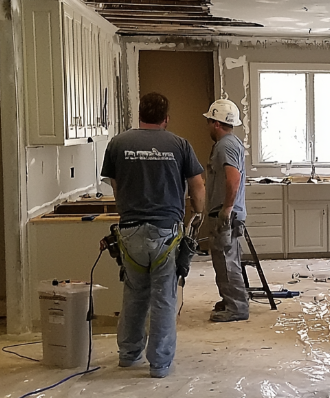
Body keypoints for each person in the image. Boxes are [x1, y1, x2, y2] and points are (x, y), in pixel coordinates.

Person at [101, 92, 205, 378]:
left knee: (134, 293)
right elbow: (197, 185)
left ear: (140, 115)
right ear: (166, 119)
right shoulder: (179, 144)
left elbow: (115, 183)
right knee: (164, 297)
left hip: (130, 230)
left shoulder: (118, 143)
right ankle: (159, 364)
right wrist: (198, 212)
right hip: (166, 231)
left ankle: (128, 354)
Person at [203, 98, 250, 323]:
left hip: (226, 213)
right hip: (228, 211)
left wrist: (226, 208)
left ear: (216, 123)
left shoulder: (225, 145)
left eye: (210, 122)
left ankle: (237, 307)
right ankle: (231, 299)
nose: (208, 126)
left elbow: (233, 178)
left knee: (225, 260)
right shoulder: (231, 143)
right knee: (225, 259)